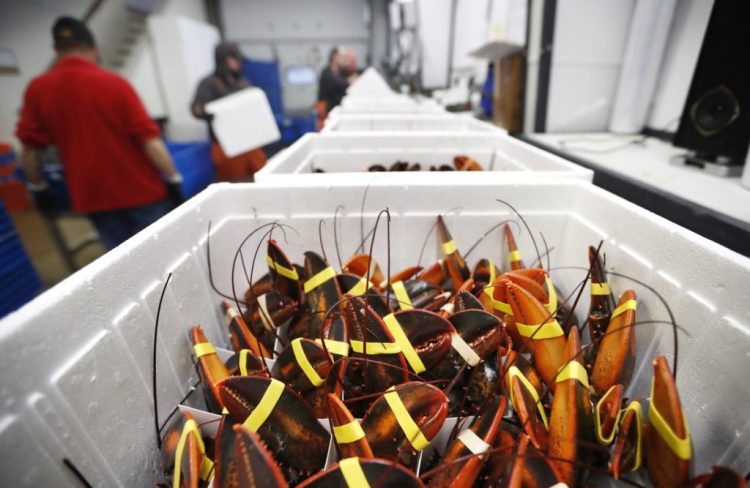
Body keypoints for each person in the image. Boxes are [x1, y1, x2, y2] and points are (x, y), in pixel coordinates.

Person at [16, 17, 183, 251]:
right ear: (94, 50)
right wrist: (173, 178)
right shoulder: (115, 84)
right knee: (164, 252)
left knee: (119, 262)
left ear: (56, 50)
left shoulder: (37, 89)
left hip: (92, 195)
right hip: (141, 190)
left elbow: (29, 151)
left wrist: (38, 187)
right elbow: (150, 142)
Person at [191, 42, 267, 182]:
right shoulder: (209, 83)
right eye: (234, 59)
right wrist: (206, 111)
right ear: (223, 60)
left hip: (251, 142)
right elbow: (196, 109)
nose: (239, 63)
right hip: (227, 147)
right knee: (234, 183)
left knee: (263, 177)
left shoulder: (242, 82)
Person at [317, 47, 359, 120]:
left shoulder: (340, 71)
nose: (345, 59)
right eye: (342, 57)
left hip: (335, 110)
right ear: (334, 57)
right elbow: (341, 85)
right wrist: (348, 81)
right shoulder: (327, 72)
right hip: (326, 112)